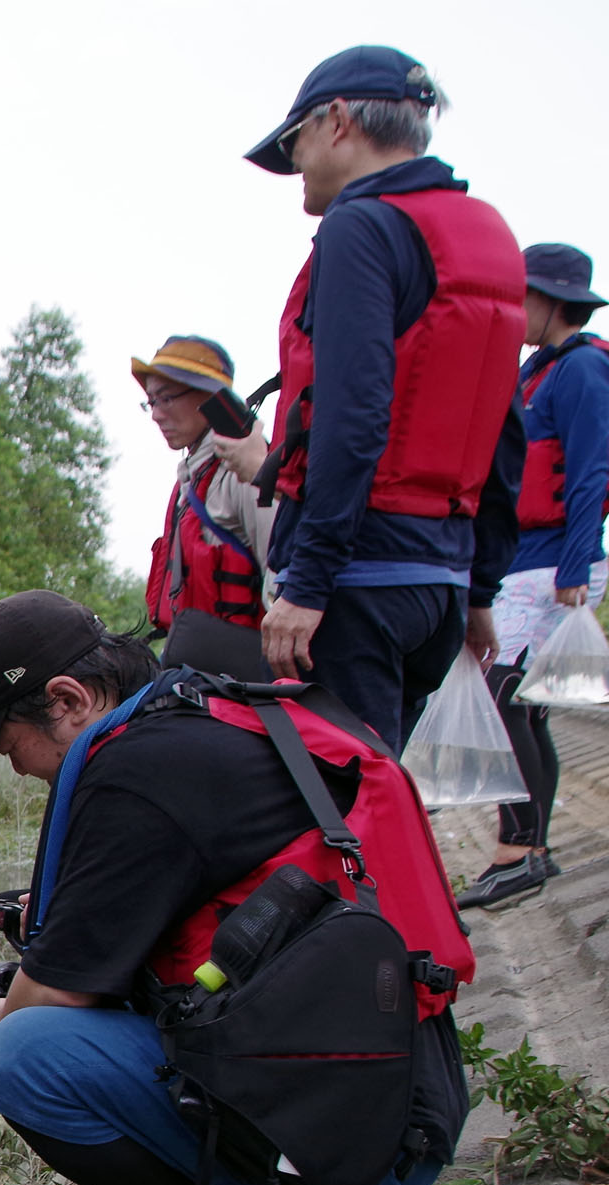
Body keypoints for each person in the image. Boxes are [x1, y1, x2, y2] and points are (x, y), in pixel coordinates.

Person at [0, 590, 473, 1185]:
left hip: (362, 1159)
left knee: (26, 1056)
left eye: (8, 743)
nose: (15, 767)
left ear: (68, 699)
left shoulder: (135, 773)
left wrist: (7, 1007)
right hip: (403, 1100)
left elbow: (54, 992)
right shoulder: (200, 716)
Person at [226, 45, 524, 750]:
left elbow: (352, 416)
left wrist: (308, 586)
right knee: (384, 799)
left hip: (358, 583)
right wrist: (479, 587)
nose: (294, 163)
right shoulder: (487, 236)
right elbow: (505, 426)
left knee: (341, 812)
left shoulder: (362, 228)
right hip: (438, 585)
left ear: (336, 122)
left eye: (294, 141)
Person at [459, 245, 609, 910]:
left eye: (522, 296)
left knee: (502, 696)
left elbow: (590, 471)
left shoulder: (581, 370)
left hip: (555, 565)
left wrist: (577, 564)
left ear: (551, 301)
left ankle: (518, 849)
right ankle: (529, 848)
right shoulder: (534, 374)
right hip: (525, 560)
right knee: (520, 703)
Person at [131, 336, 276, 678]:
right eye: (150, 401)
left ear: (211, 398)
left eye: (166, 398)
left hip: (245, 684)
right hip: (199, 674)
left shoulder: (244, 471)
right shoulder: (193, 476)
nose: (155, 414)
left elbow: (282, 573)